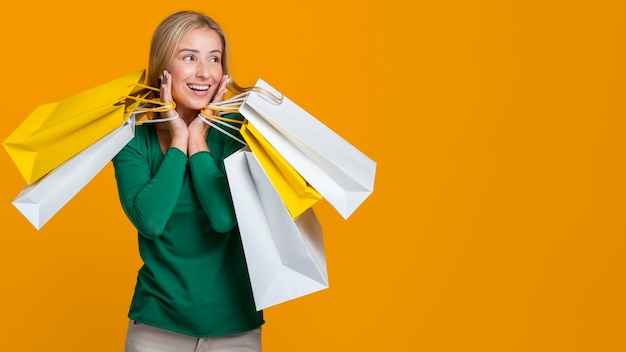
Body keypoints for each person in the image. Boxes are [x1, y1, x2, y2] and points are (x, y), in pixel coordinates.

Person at [112, 10, 264, 352]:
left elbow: (223, 218)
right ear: (163, 65)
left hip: (236, 330)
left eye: (214, 59)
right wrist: (178, 140)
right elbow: (150, 221)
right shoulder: (133, 140)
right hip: (157, 328)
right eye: (189, 57)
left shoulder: (239, 135)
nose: (204, 73)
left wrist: (199, 141)